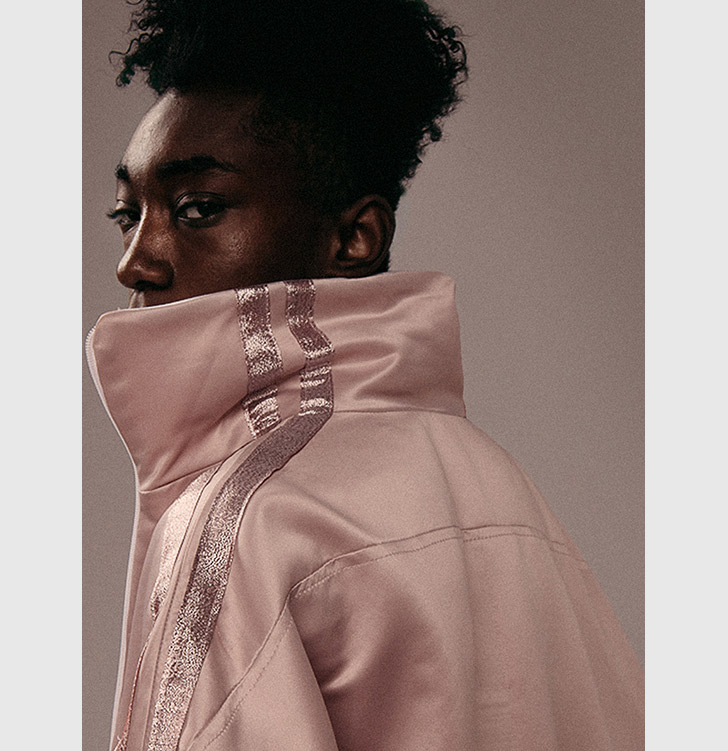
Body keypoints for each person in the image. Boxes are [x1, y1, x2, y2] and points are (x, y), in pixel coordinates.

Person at [86, 1, 644, 749]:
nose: (135, 262)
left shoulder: (245, 521)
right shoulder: (500, 487)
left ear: (355, 237)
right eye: (128, 215)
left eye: (197, 208)